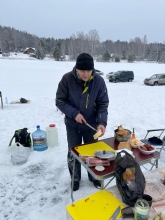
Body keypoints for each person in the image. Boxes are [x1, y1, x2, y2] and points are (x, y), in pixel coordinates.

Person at [56, 53, 109, 191]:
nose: (86, 74)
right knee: (74, 152)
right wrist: (74, 113)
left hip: (90, 125)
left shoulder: (98, 81)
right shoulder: (67, 79)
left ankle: (93, 176)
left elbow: (103, 104)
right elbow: (60, 101)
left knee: (92, 152)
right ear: (76, 69)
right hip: (73, 124)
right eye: (82, 71)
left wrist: (102, 122)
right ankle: (75, 178)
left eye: (89, 71)